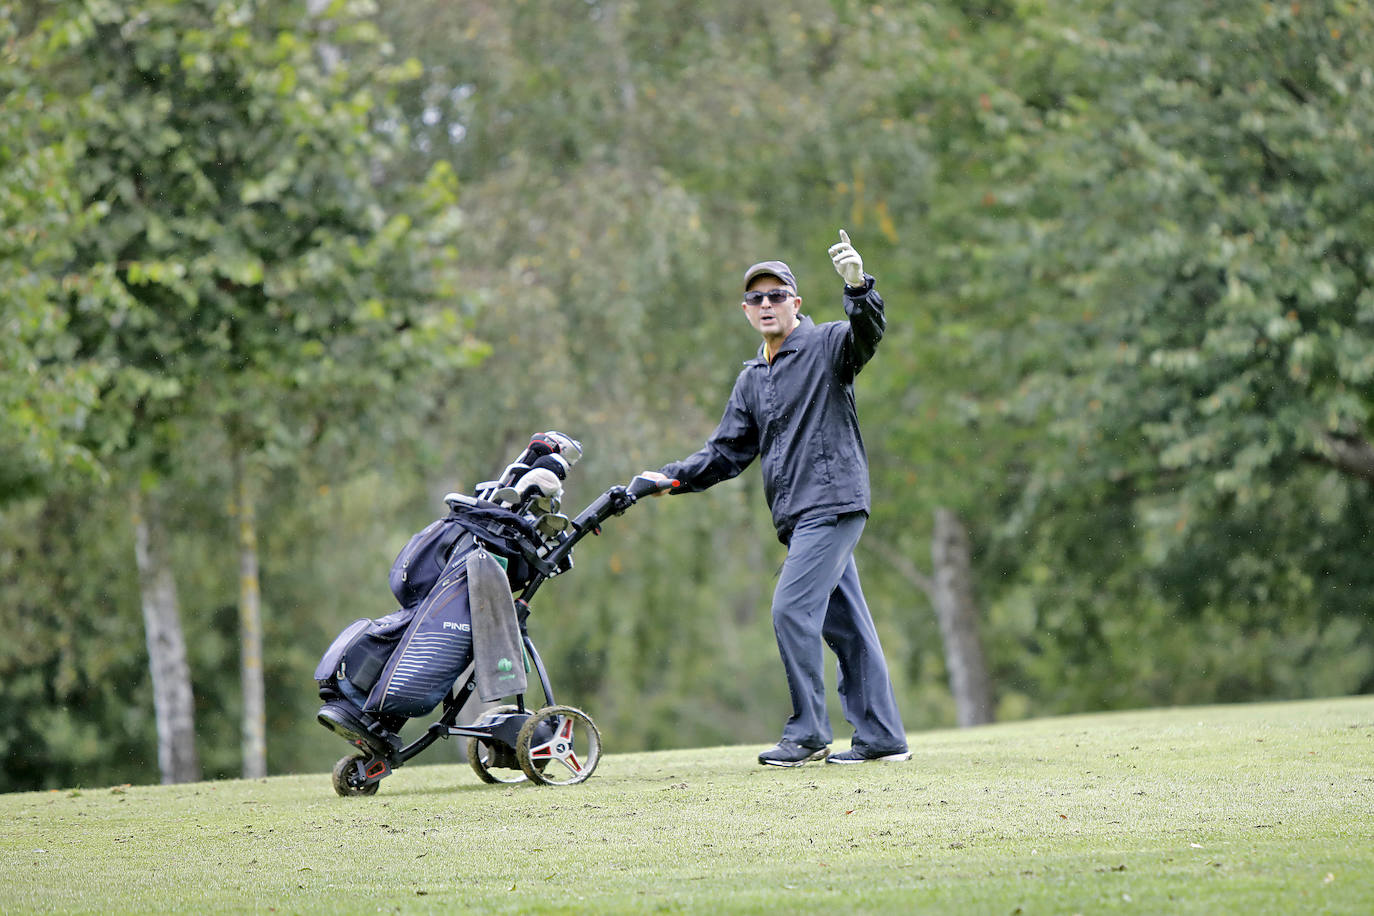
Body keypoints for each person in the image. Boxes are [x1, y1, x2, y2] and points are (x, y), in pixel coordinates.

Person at [642, 230, 910, 766]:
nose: (767, 305)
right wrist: (668, 478)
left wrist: (858, 287)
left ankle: (808, 733)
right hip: (801, 517)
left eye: (777, 295)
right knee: (847, 625)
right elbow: (725, 453)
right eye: (756, 298)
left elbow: (867, 332)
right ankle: (882, 738)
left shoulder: (828, 344)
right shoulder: (752, 378)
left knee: (791, 609)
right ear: (745, 310)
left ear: (796, 303)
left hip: (832, 505)